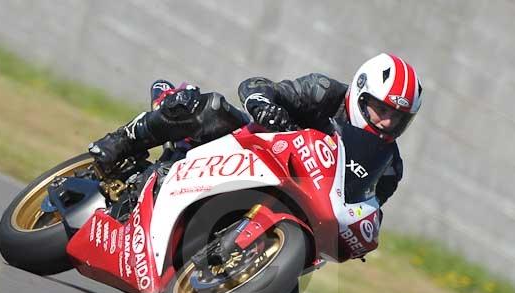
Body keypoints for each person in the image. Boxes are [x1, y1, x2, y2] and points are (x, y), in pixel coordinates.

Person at [88, 52, 423, 206]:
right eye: (381, 109)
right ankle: (120, 142)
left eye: (398, 118)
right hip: (248, 150)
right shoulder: (323, 92)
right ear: (360, 92)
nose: (386, 122)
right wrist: (264, 105)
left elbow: (368, 212)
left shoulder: (389, 167)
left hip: (292, 205)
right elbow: (259, 85)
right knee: (208, 108)